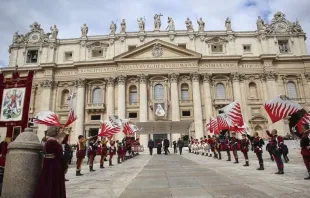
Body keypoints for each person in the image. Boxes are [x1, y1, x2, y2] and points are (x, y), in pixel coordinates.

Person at [34, 126, 66, 198]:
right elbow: (60, 156)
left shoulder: (48, 141)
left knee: (47, 182)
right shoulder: (54, 142)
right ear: (56, 133)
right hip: (55, 165)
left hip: (48, 163)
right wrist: (64, 166)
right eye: (58, 132)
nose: (59, 134)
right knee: (54, 183)